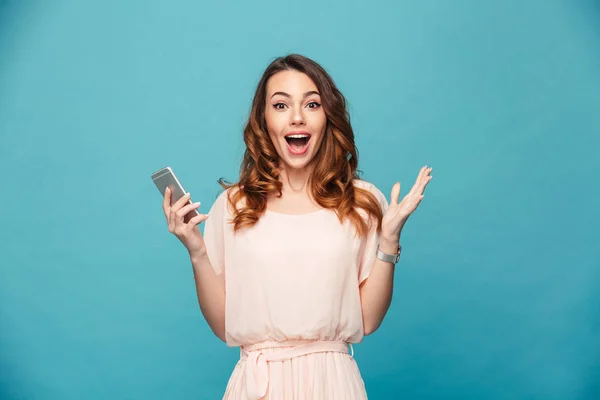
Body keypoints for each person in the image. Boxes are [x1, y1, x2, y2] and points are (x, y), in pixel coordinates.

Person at [161, 54, 433, 399]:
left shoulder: (361, 202)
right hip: (257, 385)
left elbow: (368, 320)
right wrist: (197, 251)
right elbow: (222, 325)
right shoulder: (235, 205)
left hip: (333, 383)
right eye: (280, 105)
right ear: (264, 120)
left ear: (326, 117)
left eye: (312, 104)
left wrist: (390, 240)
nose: (297, 117)